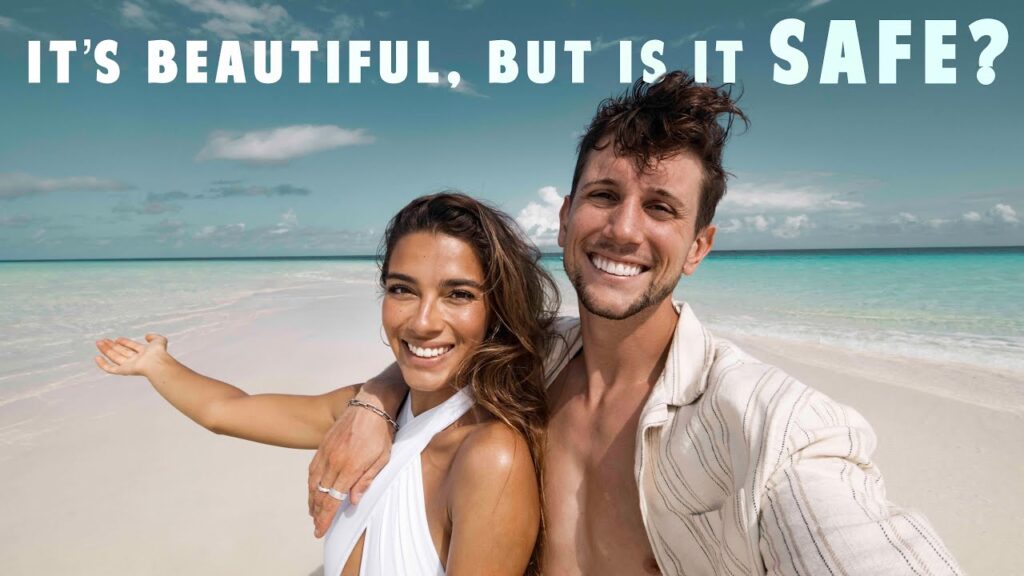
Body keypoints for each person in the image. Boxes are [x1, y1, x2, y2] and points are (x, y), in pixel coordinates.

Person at [309, 73, 963, 575]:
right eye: (604, 195)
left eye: (660, 207)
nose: (623, 228)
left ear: (699, 246)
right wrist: (376, 399)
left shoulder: (769, 426)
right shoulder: (535, 357)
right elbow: (438, 342)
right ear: (565, 219)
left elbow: (854, 539)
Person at [94, 193, 559, 576]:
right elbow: (227, 411)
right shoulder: (368, 412)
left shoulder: (491, 457)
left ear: (496, 309)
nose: (422, 321)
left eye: (458, 294)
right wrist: (156, 364)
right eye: (402, 289)